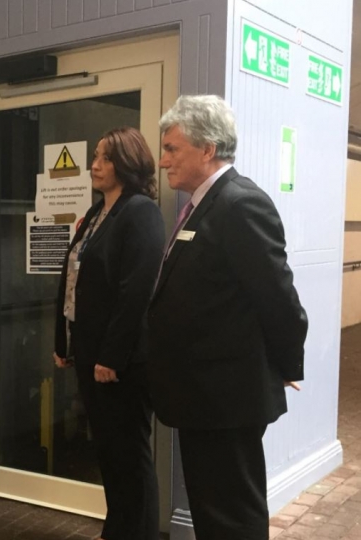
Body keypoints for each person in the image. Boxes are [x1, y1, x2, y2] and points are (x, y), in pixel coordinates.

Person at [147, 95, 308, 539]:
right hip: (203, 394)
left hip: (227, 397)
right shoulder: (203, 204)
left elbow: (278, 298)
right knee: (211, 510)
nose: (163, 161)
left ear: (208, 148)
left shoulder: (239, 204)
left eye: (172, 149)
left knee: (231, 515)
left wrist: (284, 364)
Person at [53, 127, 165, 540]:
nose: (94, 165)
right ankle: (117, 531)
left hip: (119, 363)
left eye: (104, 158)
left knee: (131, 458)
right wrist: (64, 343)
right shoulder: (98, 213)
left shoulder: (141, 212)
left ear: (128, 163)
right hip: (90, 353)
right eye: (95, 156)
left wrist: (111, 358)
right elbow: (72, 281)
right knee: (110, 454)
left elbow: (135, 292)